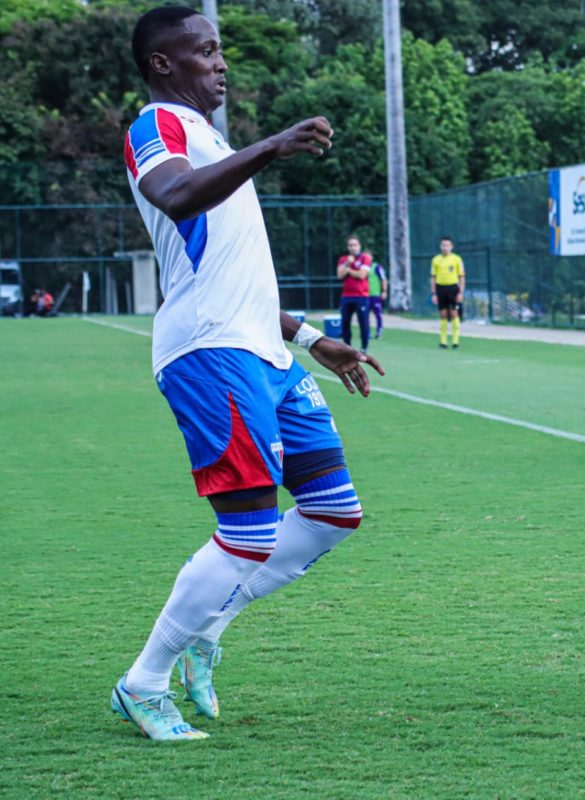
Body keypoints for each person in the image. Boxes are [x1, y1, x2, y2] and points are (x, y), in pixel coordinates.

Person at [114, 6, 383, 741]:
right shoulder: (156, 126)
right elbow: (173, 195)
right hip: (209, 352)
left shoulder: (211, 138)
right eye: (204, 51)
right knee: (250, 529)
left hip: (264, 350)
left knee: (333, 512)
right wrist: (274, 144)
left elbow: (240, 278)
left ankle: (208, 628)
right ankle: (143, 681)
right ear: (164, 64)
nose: (220, 62)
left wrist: (314, 337)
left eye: (220, 49)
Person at [337, 235, 372, 351]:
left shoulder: (365, 258)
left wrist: (348, 270)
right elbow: (340, 275)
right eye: (350, 245)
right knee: (345, 322)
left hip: (361, 296)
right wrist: (347, 264)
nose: (352, 248)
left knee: (363, 323)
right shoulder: (343, 259)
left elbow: (362, 275)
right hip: (346, 296)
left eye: (355, 245)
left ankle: (364, 348)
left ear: (359, 246)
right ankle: (347, 347)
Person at [430, 235, 464, 349]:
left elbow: (462, 277)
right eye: (443, 245)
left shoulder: (457, 259)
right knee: (443, 314)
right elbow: (433, 277)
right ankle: (443, 341)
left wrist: (460, 292)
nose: (445, 248)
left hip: (453, 288)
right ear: (440, 246)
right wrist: (434, 293)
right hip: (441, 288)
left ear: (451, 247)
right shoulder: (436, 260)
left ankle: (455, 341)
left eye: (447, 245)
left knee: (454, 313)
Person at [367, 254, 387, 340]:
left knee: (378, 314)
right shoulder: (361, 267)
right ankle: (367, 333)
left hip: (375, 295)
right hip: (364, 295)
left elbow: (384, 279)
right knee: (364, 316)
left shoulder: (376, 267)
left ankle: (379, 332)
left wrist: (384, 291)